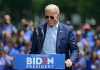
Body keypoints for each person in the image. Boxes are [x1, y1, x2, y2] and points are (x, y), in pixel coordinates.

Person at [30, 4, 79, 69]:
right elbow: (34, 50)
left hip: (61, 66)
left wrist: (71, 60)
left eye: (52, 17)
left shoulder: (67, 30)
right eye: (46, 17)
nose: (49, 19)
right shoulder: (38, 29)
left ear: (58, 16)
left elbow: (75, 50)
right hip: (42, 66)